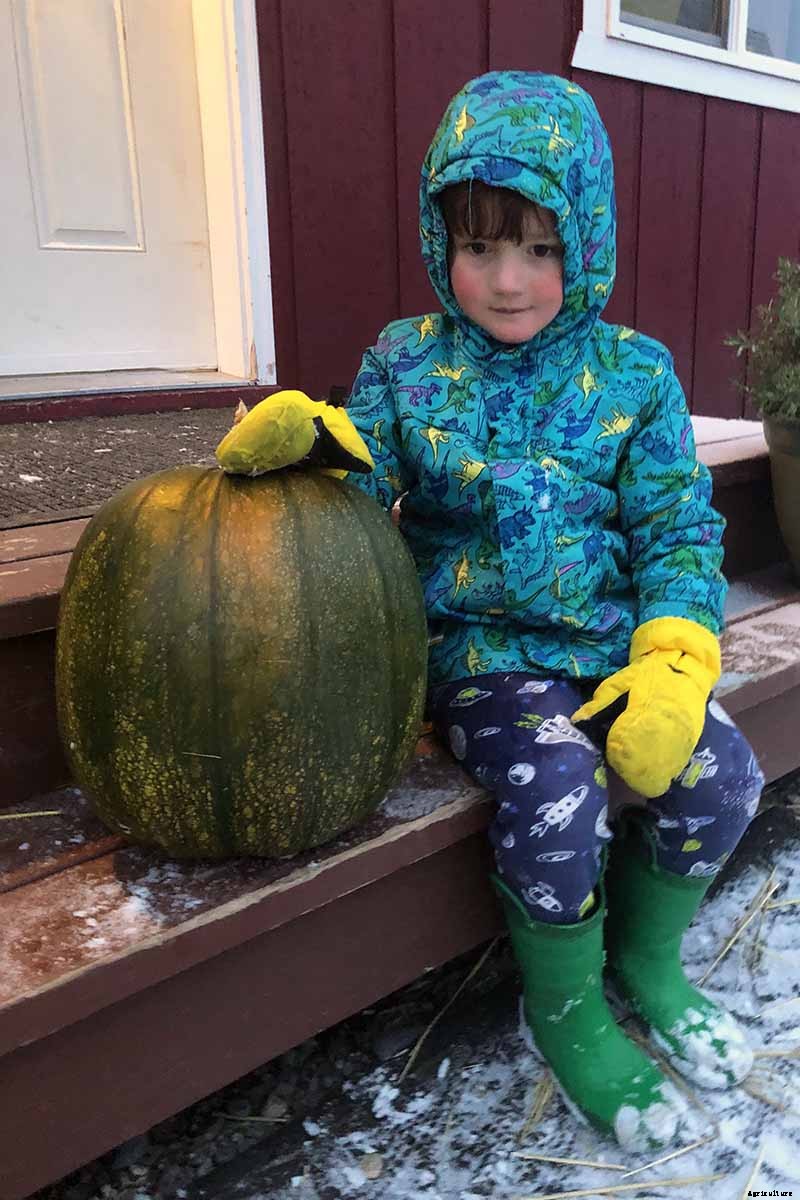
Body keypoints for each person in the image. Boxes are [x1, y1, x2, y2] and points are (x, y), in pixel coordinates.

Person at [217, 70, 764, 1153]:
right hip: (481, 655)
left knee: (722, 775)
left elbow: (672, 528)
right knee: (557, 790)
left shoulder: (634, 375)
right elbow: (363, 501)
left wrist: (670, 657)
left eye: (541, 249)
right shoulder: (405, 362)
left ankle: (646, 962)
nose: (507, 282)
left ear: (586, 243)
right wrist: (317, 455)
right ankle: (561, 1005)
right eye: (479, 247)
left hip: (613, 648)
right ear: (441, 241)